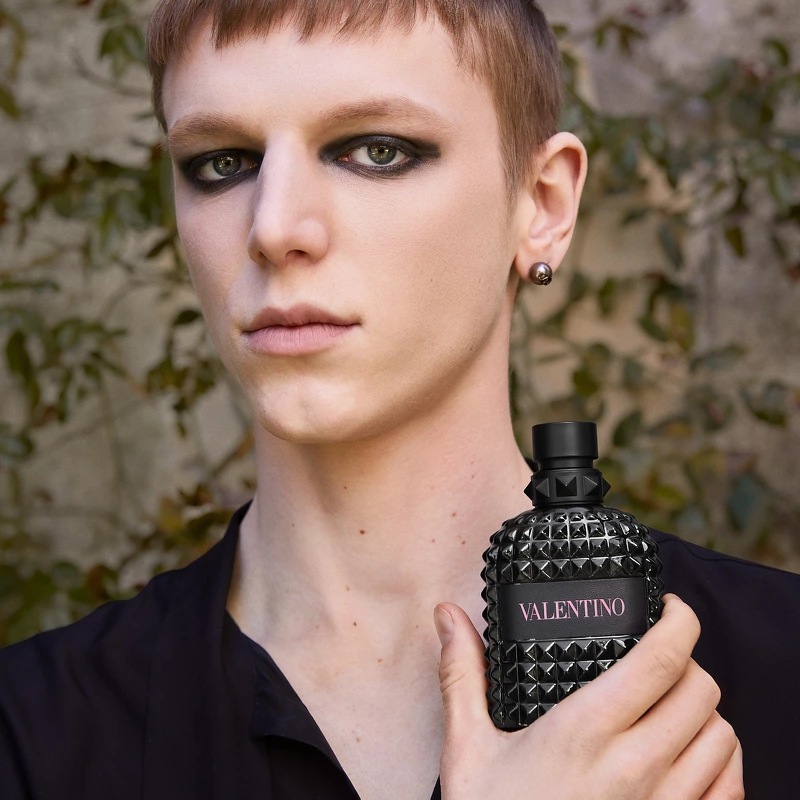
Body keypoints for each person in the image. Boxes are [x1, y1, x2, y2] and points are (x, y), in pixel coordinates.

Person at [0, 1, 797, 797]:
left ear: (543, 204)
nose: (274, 228)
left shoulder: (780, 668)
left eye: (377, 151)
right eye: (222, 163)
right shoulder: (32, 733)